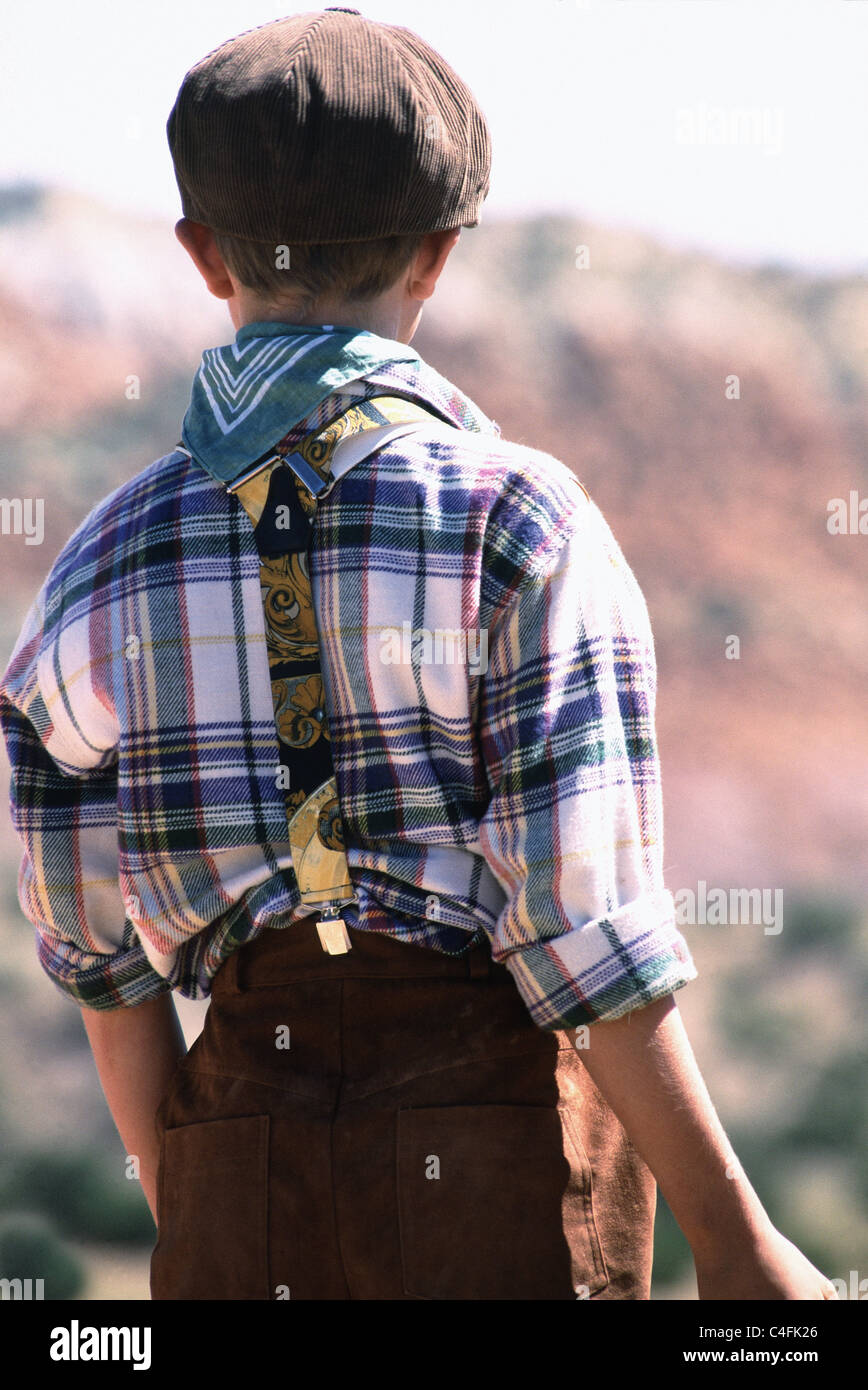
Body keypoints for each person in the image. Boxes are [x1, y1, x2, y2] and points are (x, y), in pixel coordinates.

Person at [0, 8, 837, 1301]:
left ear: (202, 253)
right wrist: (732, 1238)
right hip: (490, 1144)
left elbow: (98, 960)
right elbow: (586, 934)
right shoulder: (520, 521)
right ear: (441, 253)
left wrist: (199, 1195)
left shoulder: (97, 566)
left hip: (233, 1147)